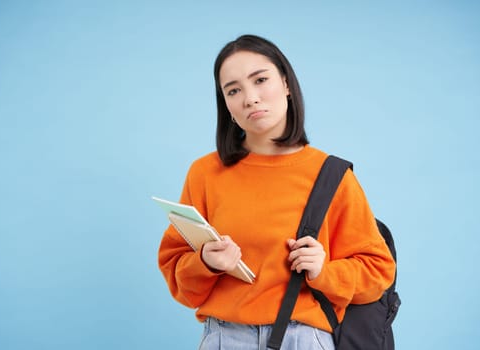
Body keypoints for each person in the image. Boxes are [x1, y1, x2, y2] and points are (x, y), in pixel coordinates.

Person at [158, 34, 396, 350]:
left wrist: (324, 271)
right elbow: (179, 278)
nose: (250, 98)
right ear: (226, 105)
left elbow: (378, 272)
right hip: (224, 338)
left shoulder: (331, 175)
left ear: (285, 84)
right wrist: (206, 262)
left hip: (304, 339)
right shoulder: (204, 173)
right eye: (233, 90)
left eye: (260, 80)